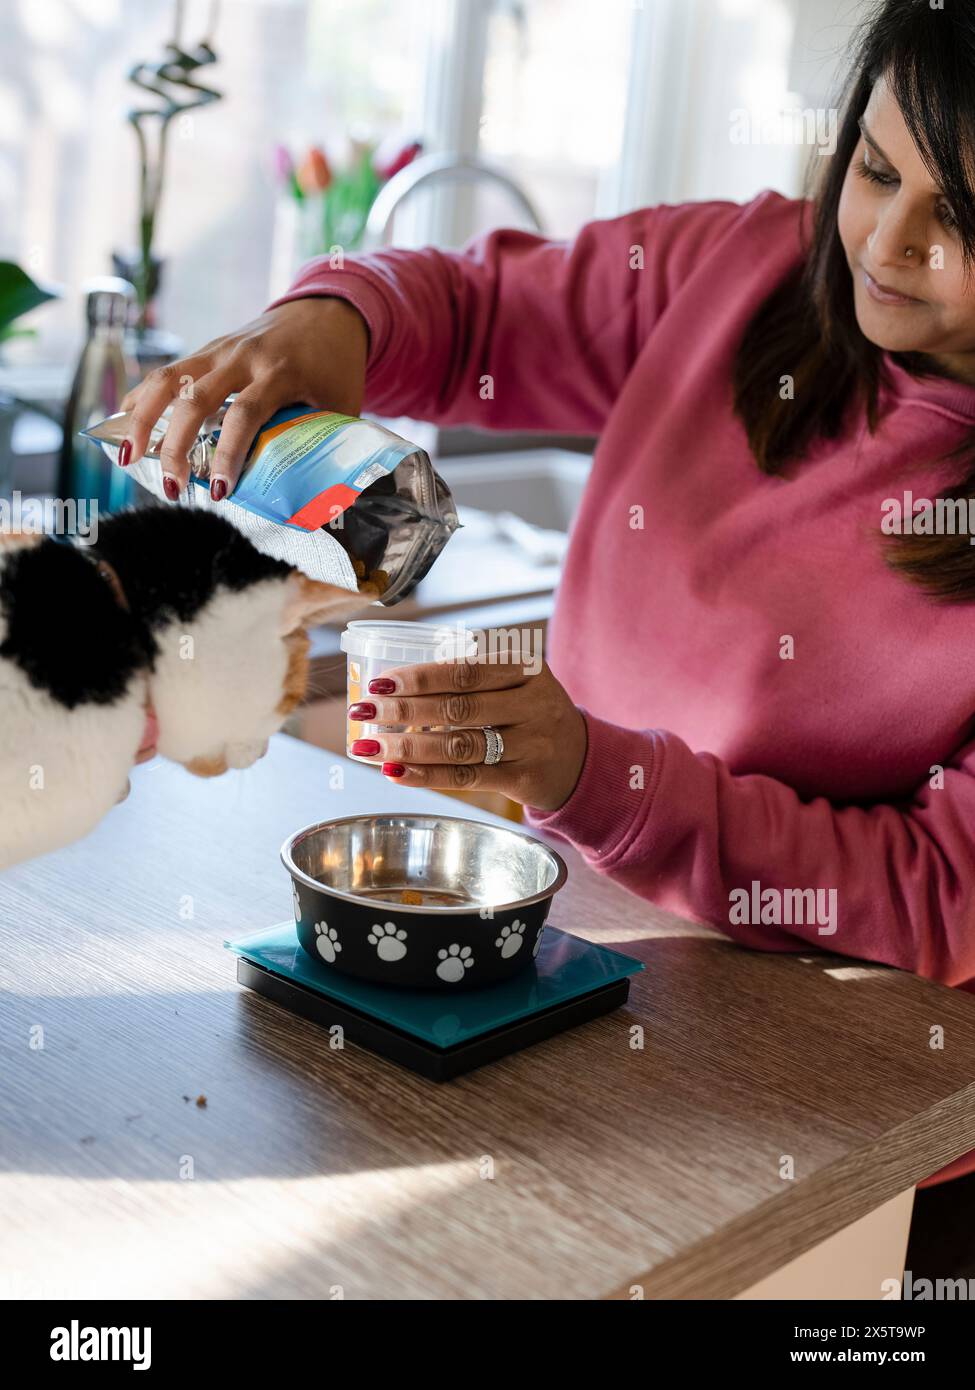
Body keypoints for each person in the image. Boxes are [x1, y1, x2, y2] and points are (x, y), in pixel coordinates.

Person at [120, 0, 975, 1277]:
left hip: (849, 1128)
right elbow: (468, 316)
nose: (889, 244)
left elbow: (944, 898)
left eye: (960, 216)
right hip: (581, 988)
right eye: (874, 169)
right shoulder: (736, 273)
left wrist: (597, 776)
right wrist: (331, 325)